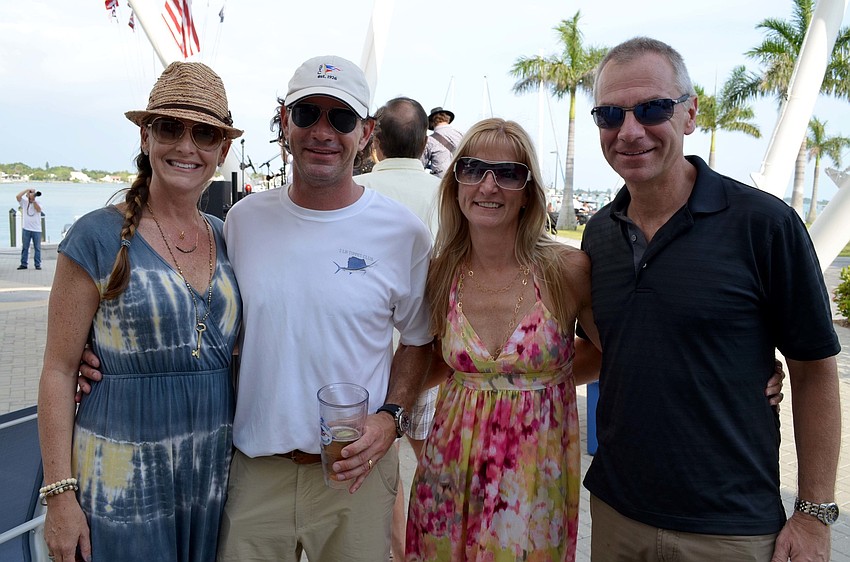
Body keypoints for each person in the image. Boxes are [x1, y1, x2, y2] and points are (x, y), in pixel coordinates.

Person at [580, 36, 841, 561]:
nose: (629, 131)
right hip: (616, 513)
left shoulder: (764, 226)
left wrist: (814, 514)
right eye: (610, 114)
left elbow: (814, 368)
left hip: (730, 528)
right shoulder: (599, 235)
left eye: (651, 108)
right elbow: (612, 344)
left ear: (690, 114)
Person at [216, 55, 433, 562]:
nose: (322, 131)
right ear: (284, 122)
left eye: (341, 118)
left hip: (354, 474)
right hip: (254, 471)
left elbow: (421, 339)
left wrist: (392, 417)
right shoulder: (242, 221)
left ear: (367, 132)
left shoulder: (402, 233)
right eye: (307, 112)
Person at [37, 61, 243, 562]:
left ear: (224, 148)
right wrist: (60, 496)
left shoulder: (229, 235)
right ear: (147, 136)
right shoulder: (97, 236)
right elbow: (59, 370)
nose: (186, 146)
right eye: (170, 127)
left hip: (211, 475)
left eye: (205, 133)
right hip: (121, 478)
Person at [405, 117, 602, 561]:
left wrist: (539, 385)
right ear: (456, 184)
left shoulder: (567, 270)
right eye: (473, 169)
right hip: (448, 467)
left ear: (528, 190)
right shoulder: (440, 273)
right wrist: (381, 405)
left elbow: (612, 353)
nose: (488, 186)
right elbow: (436, 361)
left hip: (534, 473)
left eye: (508, 173)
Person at [354, 95, 441, 558]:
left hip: (372, 361)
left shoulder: (357, 193)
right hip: (432, 356)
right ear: (425, 141)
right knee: (432, 466)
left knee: (382, 465)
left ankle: (401, 551)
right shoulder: (446, 193)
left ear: (374, 143)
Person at [420, 106, 463, 177]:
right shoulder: (461, 134)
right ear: (447, 119)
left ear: (432, 122)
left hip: (441, 181)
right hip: (460, 178)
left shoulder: (429, 140)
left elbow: (422, 164)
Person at [16, 188, 43, 269]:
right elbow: (18, 196)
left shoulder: (39, 203)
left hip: (36, 229)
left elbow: (38, 210)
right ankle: (24, 264)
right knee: (25, 247)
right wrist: (27, 190)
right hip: (26, 228)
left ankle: (37, 264)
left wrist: (33, 200)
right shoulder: (24, 202)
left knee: (37, 248)